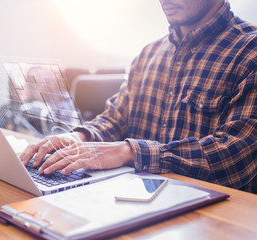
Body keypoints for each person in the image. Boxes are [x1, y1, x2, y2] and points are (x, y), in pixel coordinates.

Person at [20, 0, 257, 194]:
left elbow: (237, 155)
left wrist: (128, 152)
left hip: (214, 216)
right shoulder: (149, 54)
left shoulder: (250, 50)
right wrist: (77, 138)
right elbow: (115, 119)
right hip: (142, 200)